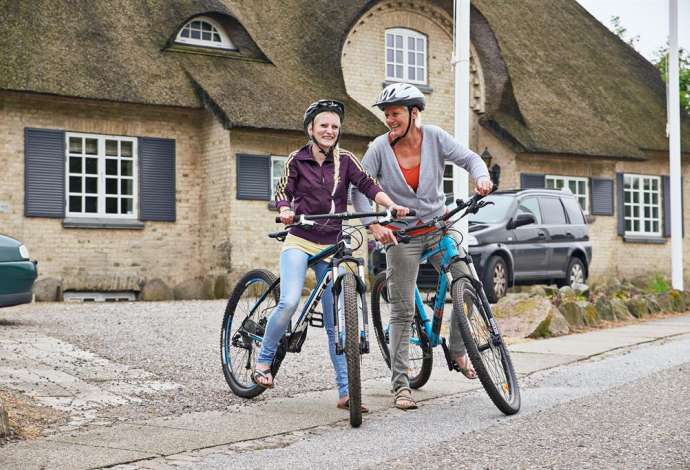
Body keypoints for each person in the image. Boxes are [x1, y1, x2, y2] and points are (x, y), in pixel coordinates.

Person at [253, 99, 410, 413]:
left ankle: (346, 391)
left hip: (333, 243)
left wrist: (389, 205)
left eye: (334, 126)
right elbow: (283, 189)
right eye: (323, 125)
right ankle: (263, 361)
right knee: (289, 301)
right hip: (300, 239)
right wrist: (285, 210)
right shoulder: (297, 159)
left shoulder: (347, 160)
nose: (329, 131)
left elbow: (368, 184)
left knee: (336, 320)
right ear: (311, 128)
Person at [352, 83, 492, 410]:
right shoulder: (377, 148)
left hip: (438, 226)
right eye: (386, 114)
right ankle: (401, 385)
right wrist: (374, 226)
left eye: (395, 113)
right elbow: (358, 189)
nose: (389, 119)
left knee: (467, 283)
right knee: (401, 310)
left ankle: (458, 350)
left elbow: (471, 158)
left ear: (414, 113)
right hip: (401, 235)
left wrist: (481, 178)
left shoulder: (436, 138)